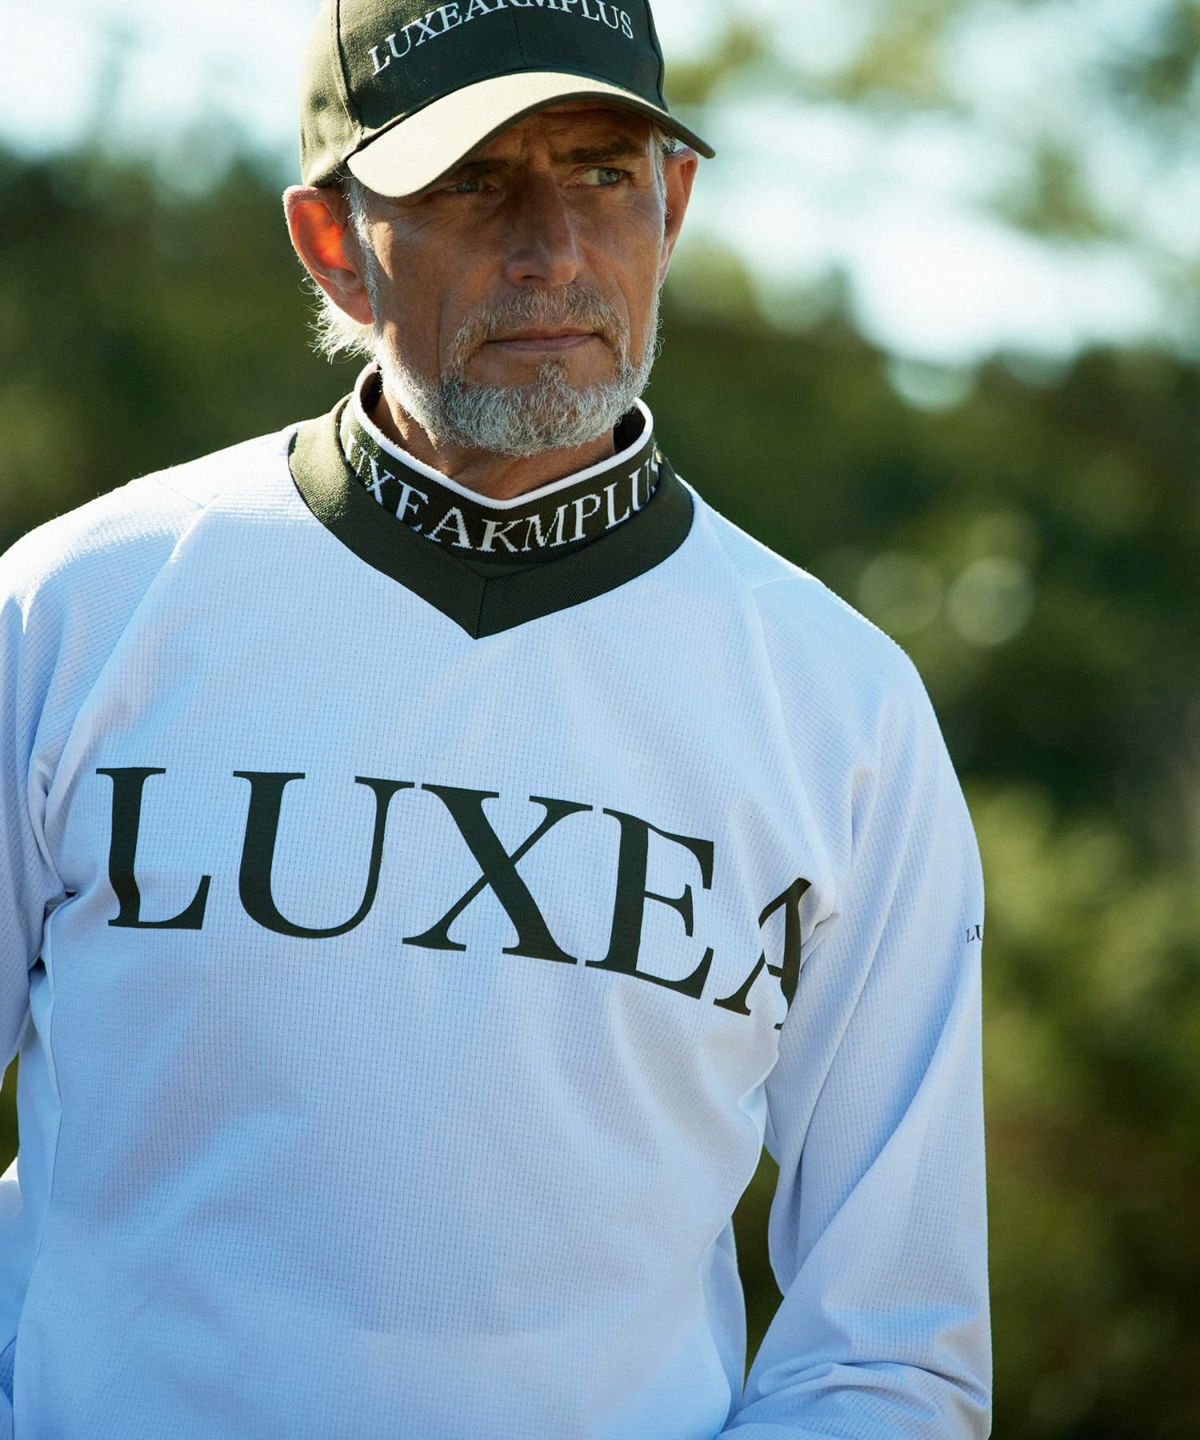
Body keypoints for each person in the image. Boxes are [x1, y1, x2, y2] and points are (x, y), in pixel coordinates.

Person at [0, 1, 991, 1436]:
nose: (555, 253)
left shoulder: (845, 708)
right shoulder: (75, 613)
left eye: (602, 173)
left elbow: (892, 1350)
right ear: (333, 243)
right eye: (472, 182)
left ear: (674, 206)